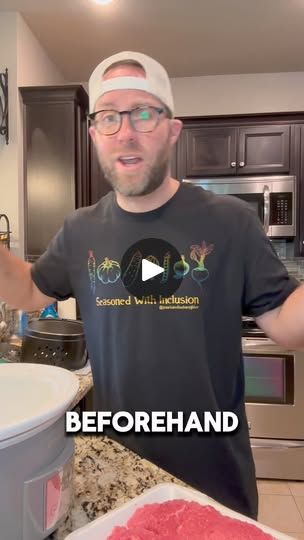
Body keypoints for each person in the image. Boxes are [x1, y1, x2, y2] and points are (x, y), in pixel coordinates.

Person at [0, 50, 302, 520]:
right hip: (124, 475)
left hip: (214, 481)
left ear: (171, 130)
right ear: (93, 134)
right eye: (109, 117)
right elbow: (27, 291)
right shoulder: (80, 230)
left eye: (143, 113)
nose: (126, 130)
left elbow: (286, 324)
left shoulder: (231, 222)